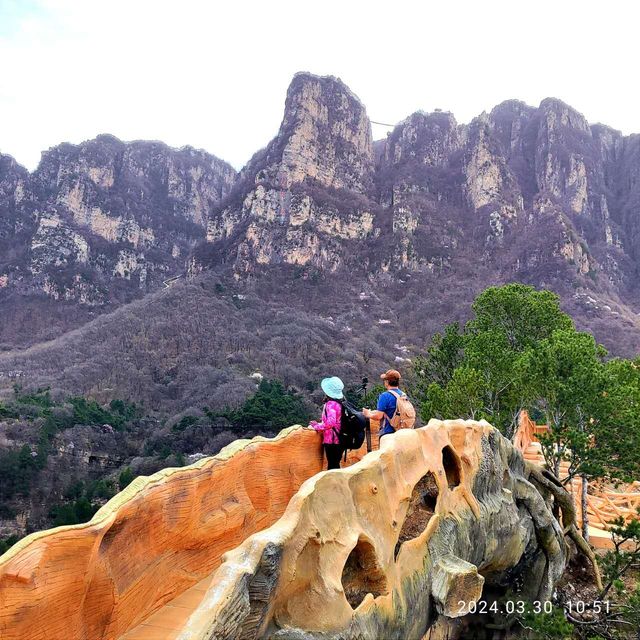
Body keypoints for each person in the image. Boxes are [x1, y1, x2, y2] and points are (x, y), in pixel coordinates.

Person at [308, 376, 345, 470]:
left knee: (332, 467)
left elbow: (331, 423)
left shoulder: (330, 404)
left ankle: (334, 485)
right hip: (340, 438)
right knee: (335, 465)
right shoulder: (340, 403)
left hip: (332, 440)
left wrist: (317, 426)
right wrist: (319, 424)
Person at [362, 369, 407, 440]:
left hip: (389, 433)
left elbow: (378, 416)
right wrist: (373, 412)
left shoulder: (385, 396)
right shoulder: (403, 395)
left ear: (387, 382)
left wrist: (368, 414)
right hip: (402, 432)